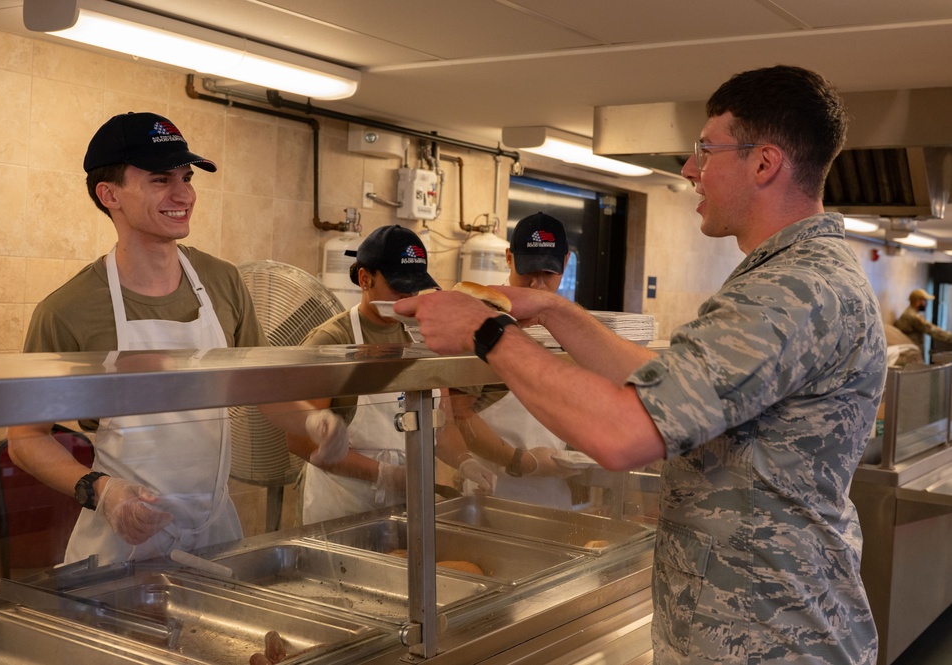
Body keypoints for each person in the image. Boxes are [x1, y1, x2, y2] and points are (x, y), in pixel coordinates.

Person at [397, 65, 886, 664]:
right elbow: (668, 381)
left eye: (706, 150)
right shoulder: (796, 273)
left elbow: (625, 434)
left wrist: (486, 331)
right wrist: (554, 311)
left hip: (768, 640)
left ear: (764, 163)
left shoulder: (792, 288)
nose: (689, 169)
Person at [7, 112, 267, 565]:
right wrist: (103, 492)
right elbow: (26, 438)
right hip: (119, 545)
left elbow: (269, 387)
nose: (184, 193)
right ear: (109, 195)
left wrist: (319, 427)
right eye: (160, 179)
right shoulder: (67, 311)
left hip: (216, 534)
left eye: (186, 177)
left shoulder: (224, 283)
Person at [284, 224, 497, 524]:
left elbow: (442, 426)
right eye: (398, 286)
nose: (408, 297)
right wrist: (382, 474)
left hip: (407, 510)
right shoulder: (331, 342)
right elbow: (299, 440)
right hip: (342, 508)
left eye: (414, 287)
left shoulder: (426, 338)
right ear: (364, 278)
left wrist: (466, 463)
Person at [453, 212, 580, 509]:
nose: (536, 285)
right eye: (527, 271)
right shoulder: (480, 320)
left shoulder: (573, 326)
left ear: (565, 262)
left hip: (554, 499)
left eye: (548, 273)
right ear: (508, 259)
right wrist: (522, 462)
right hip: (487, 497)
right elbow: (456, 418)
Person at [894, 288, 952, 357]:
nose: (926, 303)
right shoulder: (913, 316)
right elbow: (933, 331)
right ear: (918, 301)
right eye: (925, 300)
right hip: (911, 354)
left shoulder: (908, 313)